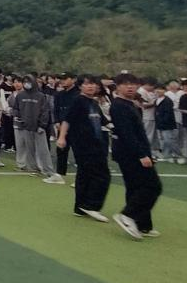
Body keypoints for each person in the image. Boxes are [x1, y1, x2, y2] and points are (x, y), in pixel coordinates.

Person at [107, 73, 162, 239]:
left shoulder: (130, 104)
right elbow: (127, 133)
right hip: (130, 153)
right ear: (117, 87)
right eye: (125, 84)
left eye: (133, 84)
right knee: (152, 186)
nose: (130, 87)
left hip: (133, 151)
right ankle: (128, 215)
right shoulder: (119, 106)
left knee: (135, 187)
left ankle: (142, 224)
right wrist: (142, 155)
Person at [56, 75, 111, 222]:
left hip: (96, 143)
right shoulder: (78, 101)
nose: (91, 86)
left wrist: (117, 129)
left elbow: (104, 121)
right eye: (87, 84)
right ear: (80, 86)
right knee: (102, 175)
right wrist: (61, 137)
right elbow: (67, 120)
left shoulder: (93, 102)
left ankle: (80, 207)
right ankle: (92, 205)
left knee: (84, 175)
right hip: (84, 144)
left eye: (93, 84)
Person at [10, 75, 63, 183]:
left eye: (28, 81)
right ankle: (34, 168)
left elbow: (45, 111)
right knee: (30, 149)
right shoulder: (20, 95)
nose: (26, 84)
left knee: (43, 150)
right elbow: (16, 108)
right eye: (25, 81)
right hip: (26, 126)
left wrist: (42, 125)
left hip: (38, 128)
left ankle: (50, 172)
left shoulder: (40, 96)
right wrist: (18, 116)